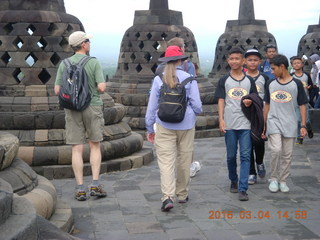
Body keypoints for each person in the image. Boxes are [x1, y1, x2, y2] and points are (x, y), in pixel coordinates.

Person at [145, 45, 202, 211]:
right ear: (180, 60)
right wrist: (192, 113)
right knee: (184, 160)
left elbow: (151, 107)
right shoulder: (189, 79)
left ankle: (167, 196)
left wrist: (149, 128)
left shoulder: (158, 80)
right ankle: (182, 194)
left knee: (166, 162)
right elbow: (197, 106)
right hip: (186, 124)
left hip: (164, 124)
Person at [54, 31, 107, 201]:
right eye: (88, 41)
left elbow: (57, 90)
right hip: (92, 106)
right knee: (94, 145)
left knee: (76, 148)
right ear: (83, 45)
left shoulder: (64, 64)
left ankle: (80, 188)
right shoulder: (93, 62)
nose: (89, 43)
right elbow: (102, 87)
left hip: (72, 108)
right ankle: (95, 184)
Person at [214, 48, 258, 201]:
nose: (234, 61)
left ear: (243, 61)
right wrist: (221, 119)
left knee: (245, 155)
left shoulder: (249, 81)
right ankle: (233, 178)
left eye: (237, 59)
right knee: (231, 156)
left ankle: (243, 188)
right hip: (230, 123)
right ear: (228, 60)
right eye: (231, 58)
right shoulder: (224, 80)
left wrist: (250, 101)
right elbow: (220, 100)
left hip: (245, 123)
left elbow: (255, 99)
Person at [155, 37, 201, 178]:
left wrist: (150, 123)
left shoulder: (159, 70)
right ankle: (186, 178)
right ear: (181, 52)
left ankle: (168, 190)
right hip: (184, 116)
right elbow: (194, 96)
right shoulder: (189, 67)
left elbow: (156, 96)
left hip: (164, 116)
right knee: (185, 151)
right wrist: (192, 113)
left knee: (167, 155)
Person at [263, 54, 308, 193]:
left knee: (287, 154)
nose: (272, 71)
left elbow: (302, 105)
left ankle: (283, 180)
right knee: (276, 150)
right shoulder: (271, 83)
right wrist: (264, 125)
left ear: (282, 67)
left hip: (290, 122)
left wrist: (303, 125)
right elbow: (267, 105)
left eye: (273, 68)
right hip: (273, 121)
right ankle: (274, 178)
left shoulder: (296, 84)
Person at [244, 49, 269, 185]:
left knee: (259, 141)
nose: (252, 63)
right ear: (245, 62)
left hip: (261, 113)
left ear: (260, 62)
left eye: (255, 60)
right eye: (250, 60)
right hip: (246, 114)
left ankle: (259, 161)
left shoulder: (264, 78)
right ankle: (251, 172)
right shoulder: (241, 77)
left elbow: (269, 96)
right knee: (247, 144)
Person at [290, 56, 314, 144]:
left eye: (298, 63)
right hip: (295, 100)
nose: (296, 64)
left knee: (306, 119)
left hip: (305, 100)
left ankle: (309, 127)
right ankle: (299, 137)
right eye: (294, 63)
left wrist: (309, 87)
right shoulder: (291, 76)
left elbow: (311, 85)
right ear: (292, 65)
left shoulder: (306, 75)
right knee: (297, 119)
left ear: (302, 64)